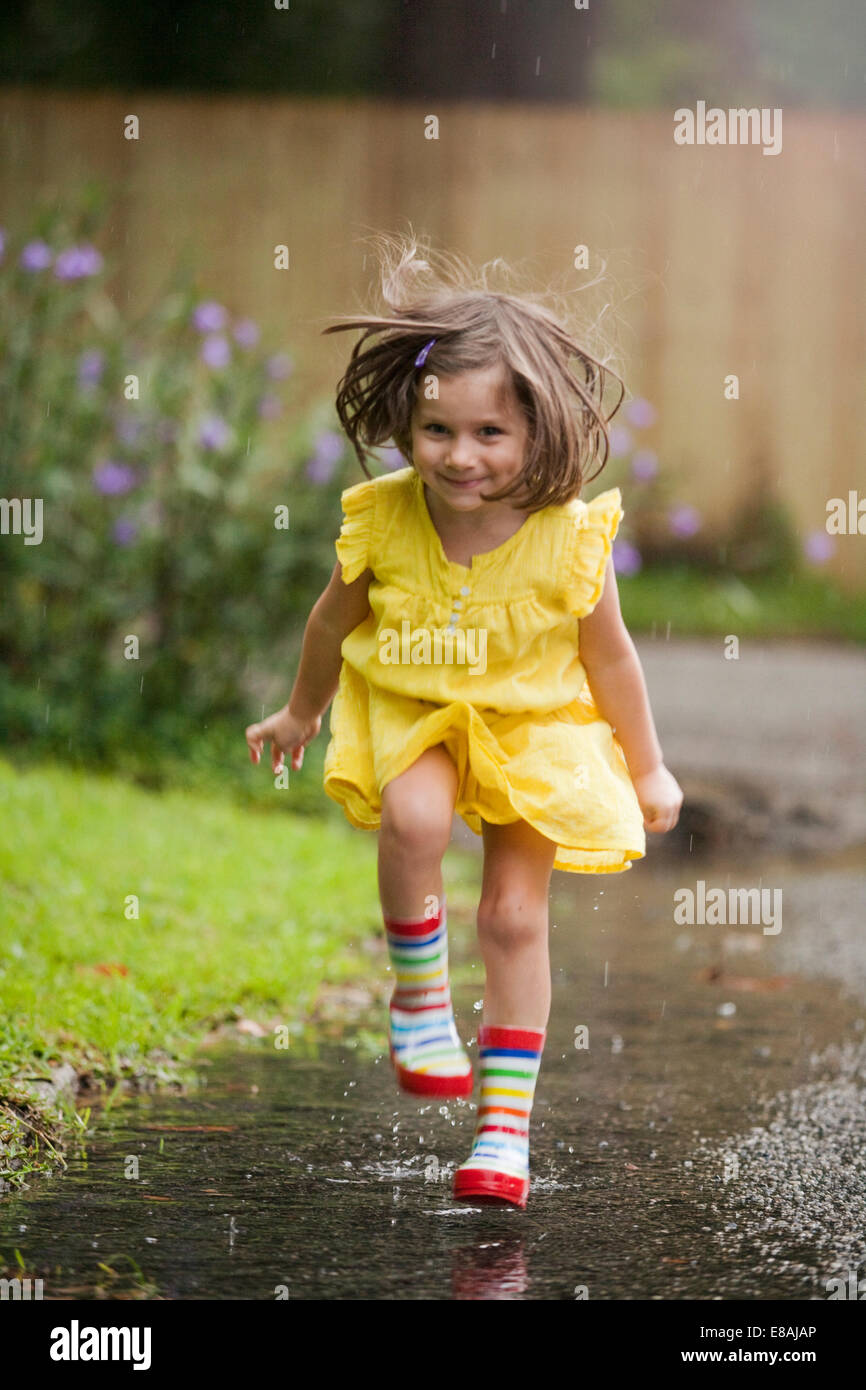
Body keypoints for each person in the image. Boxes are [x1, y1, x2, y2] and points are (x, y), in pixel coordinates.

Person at [245, 236, 683, 1209]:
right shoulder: (384, 516)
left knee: (512, 916)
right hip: (414, 706)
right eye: (436, 429)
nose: (459, 455)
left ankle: (502, 1131)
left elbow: (609, 655)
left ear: (535, 428)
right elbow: (333, 619)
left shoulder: (567, 533)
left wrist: (646, 768)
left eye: (488, 432)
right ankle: (417, 998)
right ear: (407, 418)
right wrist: (299, 710)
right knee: (408, 824)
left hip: (533, 728)